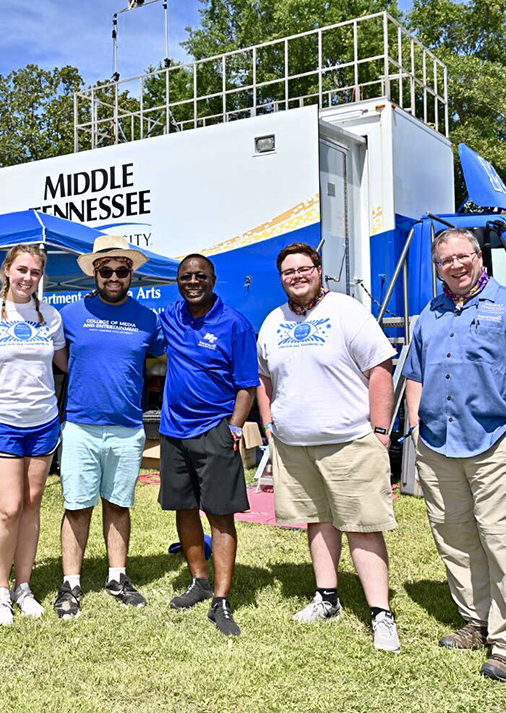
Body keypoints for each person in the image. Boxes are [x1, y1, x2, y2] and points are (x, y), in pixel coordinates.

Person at [404, 227, 506, 682]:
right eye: (445, 260)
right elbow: (414, 373)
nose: (455, 265)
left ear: (479, 257)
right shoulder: (431, 313)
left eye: (462, 256)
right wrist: (415, 426)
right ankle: (477, 621)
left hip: (495, 443)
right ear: (437, 268)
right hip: (438, 444)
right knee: (455, 538)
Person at [255, 243, 400, 652]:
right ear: (281, 278)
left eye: (304, 268)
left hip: (348, 441)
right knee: (316, 520)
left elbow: (380, 368)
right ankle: (327, 598)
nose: (297, 276)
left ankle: (381, 614)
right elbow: (263, 378)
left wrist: (381, 429)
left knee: (362, 526)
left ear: (319, 270)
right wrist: (269, 425)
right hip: (294, 445)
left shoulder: (346, 311)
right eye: (288, 272)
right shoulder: (273, 321)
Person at [0, 244, 68, 626]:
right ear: (6, 270)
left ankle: (24, 586)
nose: (28, 278)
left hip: (43, 421)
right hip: (0, 420)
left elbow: (65, 362)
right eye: (22, 270)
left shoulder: (50, 316)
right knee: (9, 506)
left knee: (32, 503)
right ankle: (0, 590)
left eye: (35, 272)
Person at [54, 236, 165, 619]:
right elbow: (60, 360)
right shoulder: (70, 314)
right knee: (77, 506)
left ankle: (117, 578)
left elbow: (165, 359)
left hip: (128, 427)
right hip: (81, 425)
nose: (114, 277)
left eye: (121, 270)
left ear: (131, 274)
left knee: (119, 504)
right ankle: (71, 584)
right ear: (95, 273)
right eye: (106, 270)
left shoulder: (148, 318)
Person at [158, 254, 258, 637]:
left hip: (215, 431)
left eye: (200, 276)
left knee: (220, 514)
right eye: (186, 276)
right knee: (184, 508)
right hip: (173, 432)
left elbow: (247, 385)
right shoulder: (172, 316)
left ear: (213, 280)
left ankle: (221, 599)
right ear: (178, 282)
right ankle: (199, 581)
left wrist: (234, 429)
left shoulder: (235, 324)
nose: (193, 282)